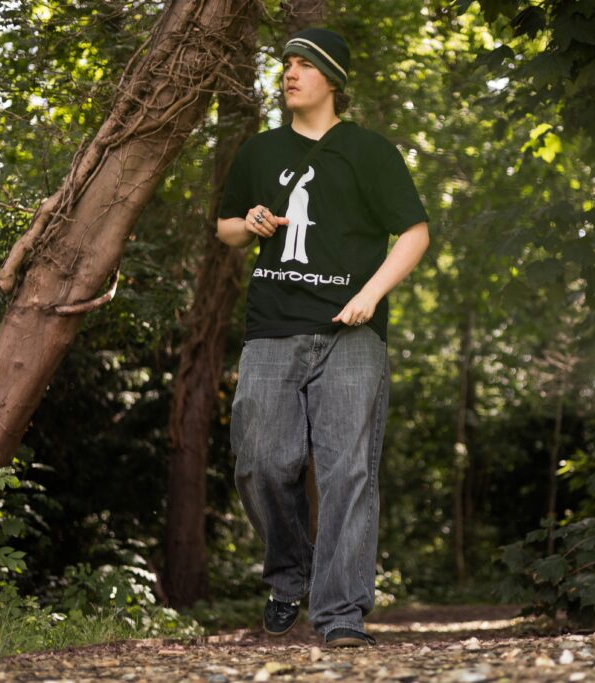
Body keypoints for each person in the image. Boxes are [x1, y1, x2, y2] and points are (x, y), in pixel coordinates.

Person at [215, 27, 430, 648]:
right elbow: (227, 228)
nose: (290, 73)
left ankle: (340, 617)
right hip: (272, 330)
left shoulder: (369, 152)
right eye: (286, 63)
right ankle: (290, 575)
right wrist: (247, 223)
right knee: (259, 462)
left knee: (348, 473)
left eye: (304, 65)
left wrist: (369, 295)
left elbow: (413, 232)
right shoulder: (259, 152)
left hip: (350, 335)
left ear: (331, 80)